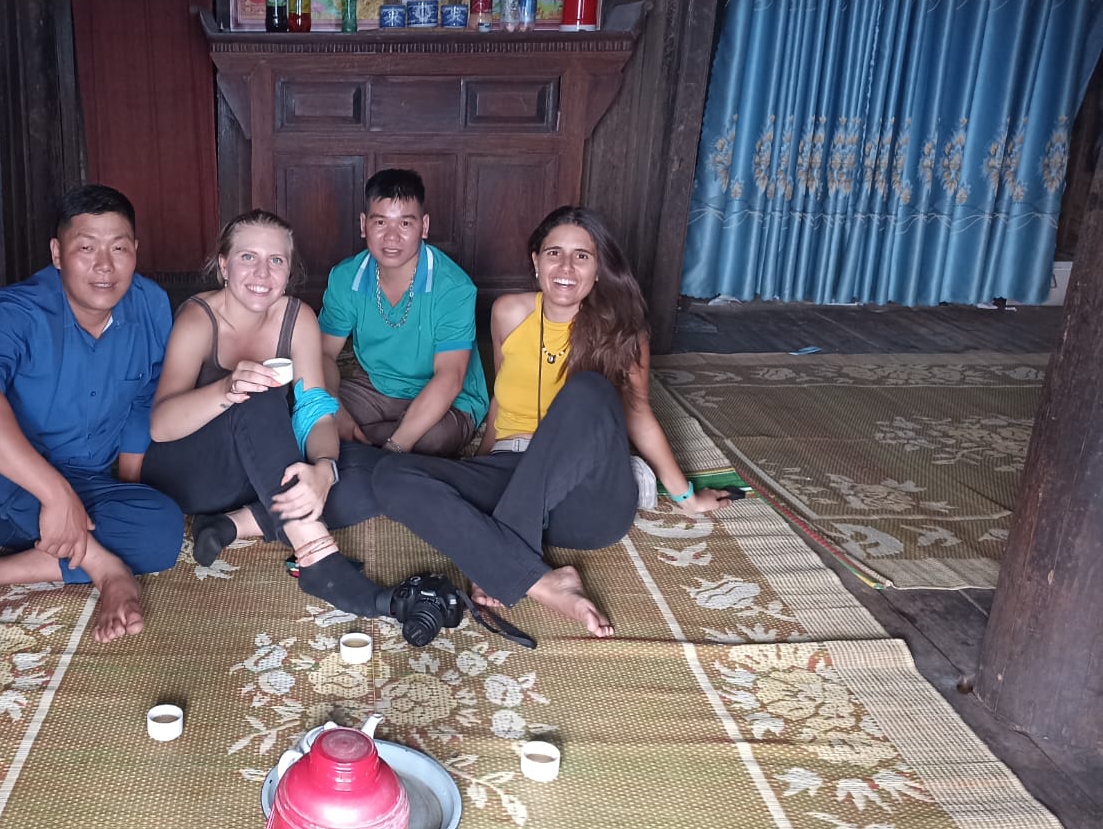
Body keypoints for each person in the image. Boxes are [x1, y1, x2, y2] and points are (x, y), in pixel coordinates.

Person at [373, 206, 731, 637]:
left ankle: (497, 558)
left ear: (598, 270)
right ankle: (542, 581)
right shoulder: (509, 313)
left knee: (588, 391)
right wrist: (479, 468)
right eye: (554, 253)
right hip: (511, 474)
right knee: (389, 474)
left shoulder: (623, 333)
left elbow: (639, 414)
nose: (565, 267)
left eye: (582, 256)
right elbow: (501, 401)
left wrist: (687, 497)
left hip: (587, 503)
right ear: (536, 261)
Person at [0, 185, 184, 643]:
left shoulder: (150, 305)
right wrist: (55, 496)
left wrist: (126, 489)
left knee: (162, 527)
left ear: (135, 251)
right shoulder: (18, 309)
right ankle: (105, 567)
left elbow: (146, 396)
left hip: (81, 488)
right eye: (86, 248)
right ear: (58, 254)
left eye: (119, 248)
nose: (105, 265)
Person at [142, 211, 388, 618]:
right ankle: (319, 560)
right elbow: (160, 426)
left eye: (276, 260)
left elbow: (314, 409)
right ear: (224, 265)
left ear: (289, 271)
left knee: (376, 472)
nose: (262, 273)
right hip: (195, 473)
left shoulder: (298, 317)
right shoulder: (198, 319)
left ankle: (232, 524)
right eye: (247, 257)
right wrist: (227, 389)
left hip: (261, 469)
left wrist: (324, 469)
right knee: (259, 395)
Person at [320, 169, 489, 457]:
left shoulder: (453, 287)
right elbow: (322, 354)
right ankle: (367, 443)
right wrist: (334, 409)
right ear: (363, 225)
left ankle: (364, 448)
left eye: (405, 223)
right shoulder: (346, 276)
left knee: (434, 439)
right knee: (308, 409)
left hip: (447, 399)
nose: (391, 237)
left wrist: (396, 446)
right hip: (376, 387)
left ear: (424, 226)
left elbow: (450, 376)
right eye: (380, 222)